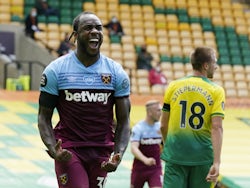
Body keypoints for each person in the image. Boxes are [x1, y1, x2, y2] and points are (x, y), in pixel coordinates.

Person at [37, 11, 131, 188]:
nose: (95, 31)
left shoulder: (116, 73)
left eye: (99, 28)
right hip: (69, 150)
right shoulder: (56, 70)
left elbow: (124, 122)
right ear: (75, 35)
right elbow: (43, 117)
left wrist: (118, 154)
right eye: (88, 28)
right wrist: (53, 148)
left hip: (102, 152)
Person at [160, 46, 225, 188]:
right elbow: (216, 127)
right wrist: (217, 162)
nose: (217, 67)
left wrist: (168, 148)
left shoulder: (173, 86)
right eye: (215, 62)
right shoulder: (216, 91)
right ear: (206, 65)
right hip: (202, 158)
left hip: (175, 156)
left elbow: (163, 125)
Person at [130, 100, 163, 188]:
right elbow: (134, 148)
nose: (161, 113)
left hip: (155, 169)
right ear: (150, 112)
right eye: (158, 110)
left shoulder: (161, 128)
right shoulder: (138, 128)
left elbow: (165, 145)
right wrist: (145, 160)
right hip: (139, 169)